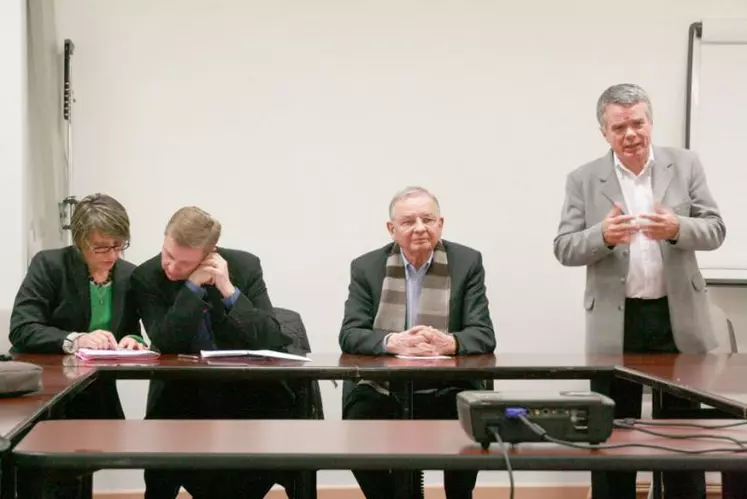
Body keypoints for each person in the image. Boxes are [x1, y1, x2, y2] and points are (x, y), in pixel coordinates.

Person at [553, 83, 726, 499]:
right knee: (614, 435)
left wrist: (678, 228)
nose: (630, 134)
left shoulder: (685, 165)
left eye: (637, 123)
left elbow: (716, 229)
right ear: (604, 133)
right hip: (618, 320)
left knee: (683, 438)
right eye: (619, 127)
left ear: (650, 122)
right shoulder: (583, 179)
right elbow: (564, 247)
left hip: (677, 317)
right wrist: (603, 236)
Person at [340, 186, 496, 499]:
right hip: (386, 388)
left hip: (448, 385)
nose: (420, 228)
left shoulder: (466, 262)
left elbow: (483, 334)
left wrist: (449, 342)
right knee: (358, 423)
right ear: (392, 229)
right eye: (409, 221)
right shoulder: (367, 267)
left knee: (467, 419)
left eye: (428, 219)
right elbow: (350, 333)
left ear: (441, 223)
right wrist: (392, 341)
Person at [131, 206, 297, 499]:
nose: (170, 267)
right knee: (167, 446)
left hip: (248, 395)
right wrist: (191, 286)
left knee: (279, 428)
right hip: (182, 397)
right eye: (168, 254)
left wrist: (227, 288)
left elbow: (271, 337)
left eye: (184, 263)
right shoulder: (146, 276)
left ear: (209, 255)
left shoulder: (245, 266)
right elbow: (166, 340)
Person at [10, 193, 144, 418]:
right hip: (47, 388)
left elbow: (131, 329)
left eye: (118, 245)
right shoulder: (50, 265)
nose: (112, 255)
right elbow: (22, 328)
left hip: (99, 387)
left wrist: (133, 341)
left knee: (115, 446)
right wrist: (76, 339)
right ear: (80, 242)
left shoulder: (128, 274)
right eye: (101, 247)